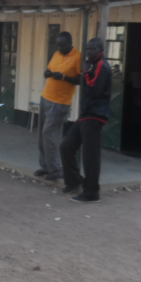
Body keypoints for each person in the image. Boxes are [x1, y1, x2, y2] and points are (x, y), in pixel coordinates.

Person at [60, 38, 112, 203]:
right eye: (87, 49)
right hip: (86, 114)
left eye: (92, 49)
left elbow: (94, 90)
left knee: (90, 155)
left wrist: (85, 73)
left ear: (100, 50)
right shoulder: (94, 65)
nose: (88, 52)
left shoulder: (101, 65)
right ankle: (74, 181)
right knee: (66, 145)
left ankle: (91, 192)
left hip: (95, 115)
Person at [34, 32, 82, 181]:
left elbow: (81, 80)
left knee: (49, 134)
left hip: (60, 102)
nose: (59, 48)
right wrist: (47, 73)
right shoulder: (56, 54)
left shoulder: (77, 57)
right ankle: (45, 166)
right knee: (41, 134)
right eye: (58, 45)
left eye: (62, 45)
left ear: (70, 43)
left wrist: (64, 77)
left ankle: (56, 169)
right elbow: (49, 70)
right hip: (46, 97)